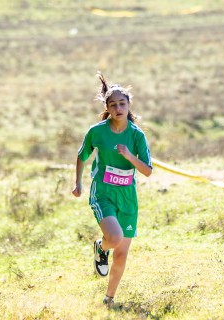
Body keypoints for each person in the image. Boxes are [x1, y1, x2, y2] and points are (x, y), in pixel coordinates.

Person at [72, 73, 152, 308]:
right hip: (103, 192)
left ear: (129, 106)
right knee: (114, 239)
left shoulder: (137, 135)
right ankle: (101, 245)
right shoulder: (97, 132)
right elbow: (81, 156)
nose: (118, 108)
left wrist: (128, 155)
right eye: (113, 104)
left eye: (122, 103)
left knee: (121, 253)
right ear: (107, 108)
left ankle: (109, 298)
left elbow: (147, 171)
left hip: (127, 197)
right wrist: (78, 183)